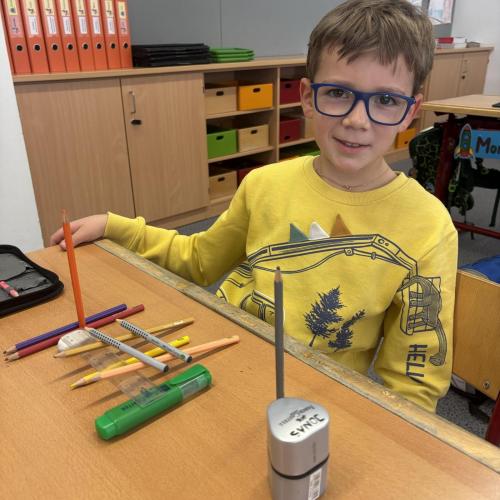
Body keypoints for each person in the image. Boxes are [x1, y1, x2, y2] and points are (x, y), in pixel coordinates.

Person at [51, 0, 457, 413]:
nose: (357, 119)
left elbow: (414, 383)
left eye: (385, 100)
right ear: (307, 97)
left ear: (410, 112)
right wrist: (114, 226)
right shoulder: (265, 183)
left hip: (310, 403)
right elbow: (199, 260)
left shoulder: (427, 224)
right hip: (221, 366)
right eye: (337, 93)